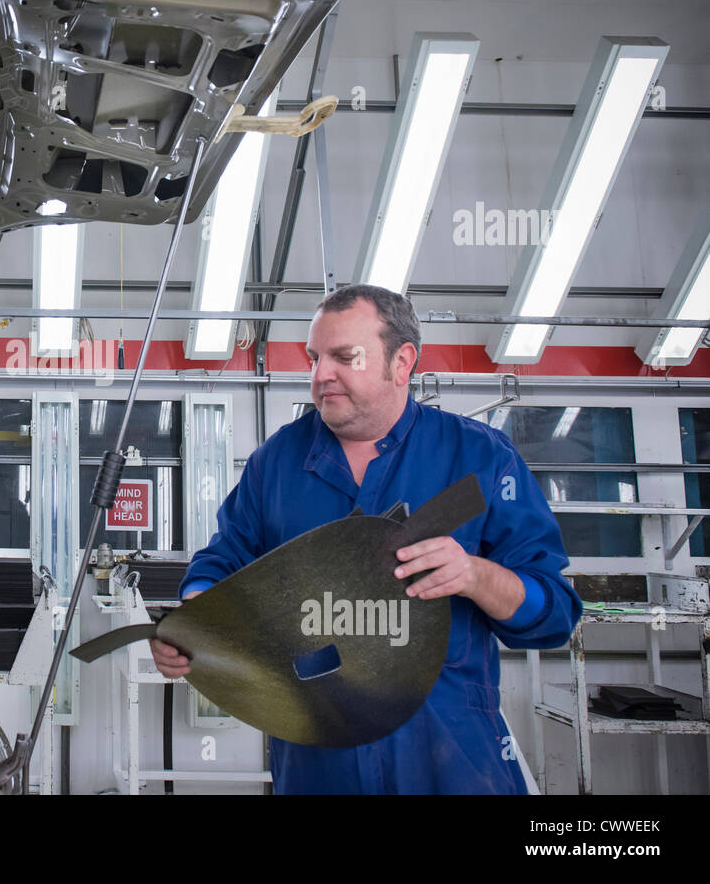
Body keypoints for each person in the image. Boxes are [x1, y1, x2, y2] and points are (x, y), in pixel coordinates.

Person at [154, 283, 581, 793]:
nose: (319, 375)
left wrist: (474, 575)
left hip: (450, 759)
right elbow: (223, 559)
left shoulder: (481, 459)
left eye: (343, 356)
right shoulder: (277, 462)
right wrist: (196, 618)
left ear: (402, 363)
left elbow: (553, 614)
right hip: (320, 762)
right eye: (314, 357)